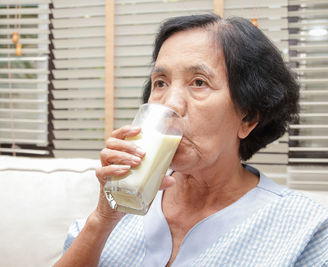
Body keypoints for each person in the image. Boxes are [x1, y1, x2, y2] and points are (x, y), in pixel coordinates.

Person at [54, 14, 328, 266]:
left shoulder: (305, 227)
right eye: (160, 82)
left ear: (248, 119)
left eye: (199, 82)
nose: (170, 104)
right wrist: (103, 218)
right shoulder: (125, 198)